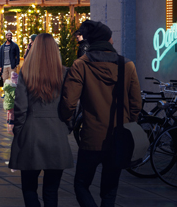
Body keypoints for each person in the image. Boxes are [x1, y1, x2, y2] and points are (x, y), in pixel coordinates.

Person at [60, 21, 141, 207]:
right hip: (119, 136)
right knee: (110, 189)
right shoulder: (127, 65)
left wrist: (66, 119)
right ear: (107, 39)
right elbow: (136, 103)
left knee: (81, 184)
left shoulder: (81, 65)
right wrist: (130, 123)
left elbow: (69, 102)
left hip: (92, 136)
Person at [9, 34, 74, 207]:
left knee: (29, 188)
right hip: (57, 132)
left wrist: (19, 130)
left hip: (32, 133)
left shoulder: (27, 72)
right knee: (52, 190)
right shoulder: (65, 73)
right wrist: (67, 126)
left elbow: (20, 107)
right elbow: (71, 104)